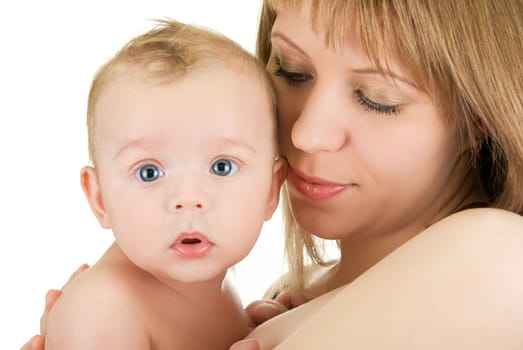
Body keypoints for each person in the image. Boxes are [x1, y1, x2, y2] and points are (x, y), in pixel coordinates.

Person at [23, 0, 523, 349]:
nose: (306, 133)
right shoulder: (276, 296)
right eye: (291, 71)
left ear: (480, 115)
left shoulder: (504, 257)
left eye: (378, 99)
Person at [32, 18, 284, 350]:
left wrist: (261, 327)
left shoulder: (222, 286)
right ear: (100, 198)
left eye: (222, 167)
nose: (189, 198)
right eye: (148, 172)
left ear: (270, 188)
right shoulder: (103, 311)